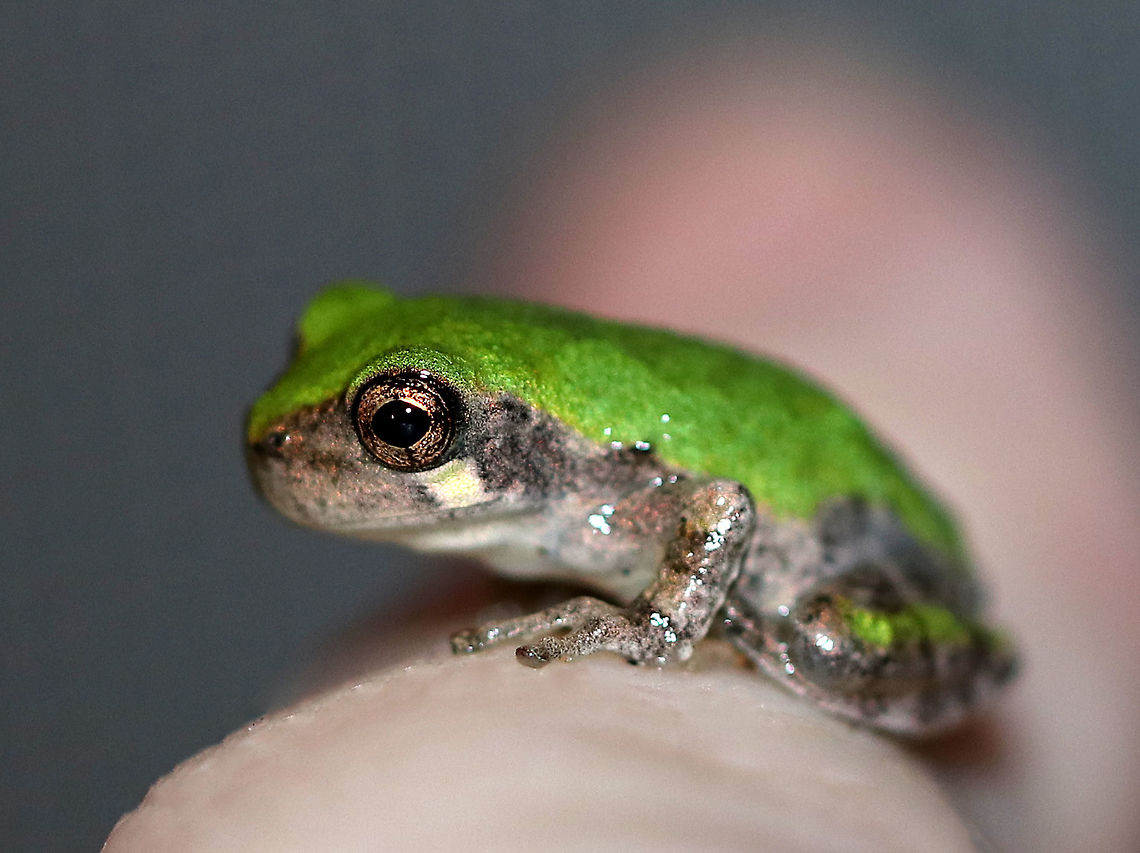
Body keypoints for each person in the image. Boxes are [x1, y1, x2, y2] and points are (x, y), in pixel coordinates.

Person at [106, 44, 1140, 851]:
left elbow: (721, 506)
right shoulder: (541, 474)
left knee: (825, 641)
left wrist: (663, 624)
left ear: (504, 443)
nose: (284, 439)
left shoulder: (599, 486)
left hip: (864, 564)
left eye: (400, 426)